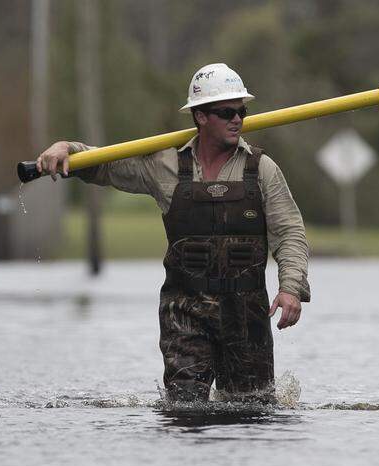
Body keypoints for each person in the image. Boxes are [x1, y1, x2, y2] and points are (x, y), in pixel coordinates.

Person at [35, 63, 310, 403]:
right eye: (226, 112)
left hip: (247, 315)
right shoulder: (162, 165)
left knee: (251, 412)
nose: (237, 119)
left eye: (242, 110)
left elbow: (290, 232)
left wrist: (291, 288)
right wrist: (66, 148)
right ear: (200, 117)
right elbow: (102, 165)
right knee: (184, 409)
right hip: (184, 313)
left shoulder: (262, 169)